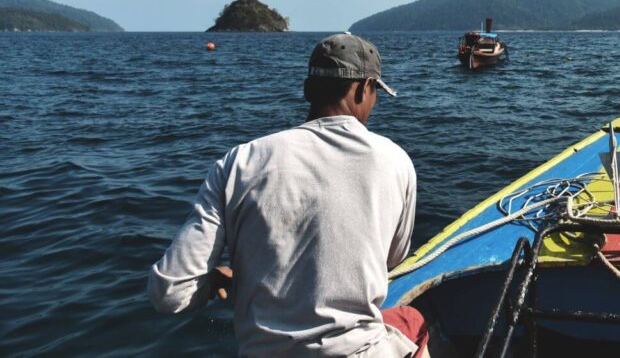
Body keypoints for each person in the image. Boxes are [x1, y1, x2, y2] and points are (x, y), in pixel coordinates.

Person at [148, 33, 427, 357]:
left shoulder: (239, 162)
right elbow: (392, 259)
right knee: (413, 319)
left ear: (309, 90)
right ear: (363, 89)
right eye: (376, 91)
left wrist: (213, 281)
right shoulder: (395, 160)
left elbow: (169, 293)